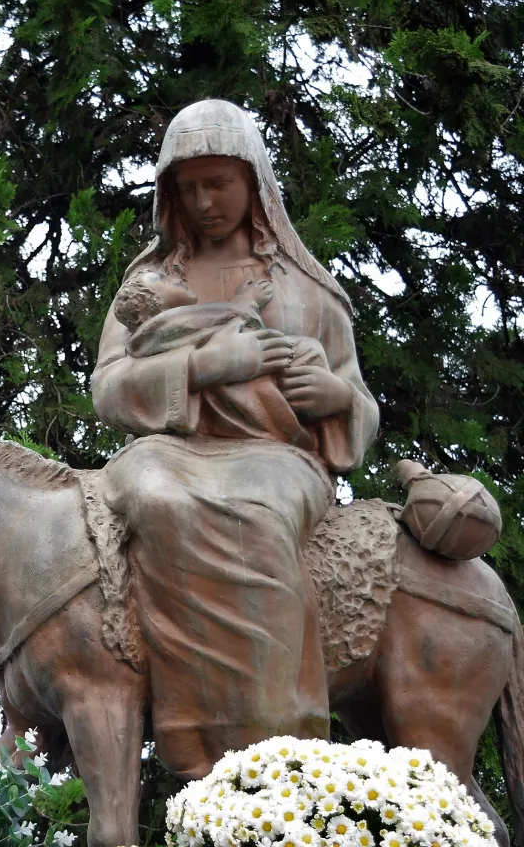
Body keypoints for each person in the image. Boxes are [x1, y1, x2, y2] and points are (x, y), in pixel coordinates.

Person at [92, 99, 378, 778]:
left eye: (218, 183)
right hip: (171, 451)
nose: (204, 201)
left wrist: (337, 401)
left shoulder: (307, 289)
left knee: (256, 512)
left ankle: (281, 738)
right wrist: (201, 368)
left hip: (279, 459)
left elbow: (357, 402)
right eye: (188, 187)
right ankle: (188, 734)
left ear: (255, 183)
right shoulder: (150, 285)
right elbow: (108, 388)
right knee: (157, 500)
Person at [113, 268, 330, 450]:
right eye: (162, 279)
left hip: (241, 379)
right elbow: (226, 321)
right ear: (146, 309)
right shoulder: (167, 326)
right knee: (307, 351)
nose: (176, 278)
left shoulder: (160, 332)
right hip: (232, 393)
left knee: (306, 356)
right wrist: (246, 302)